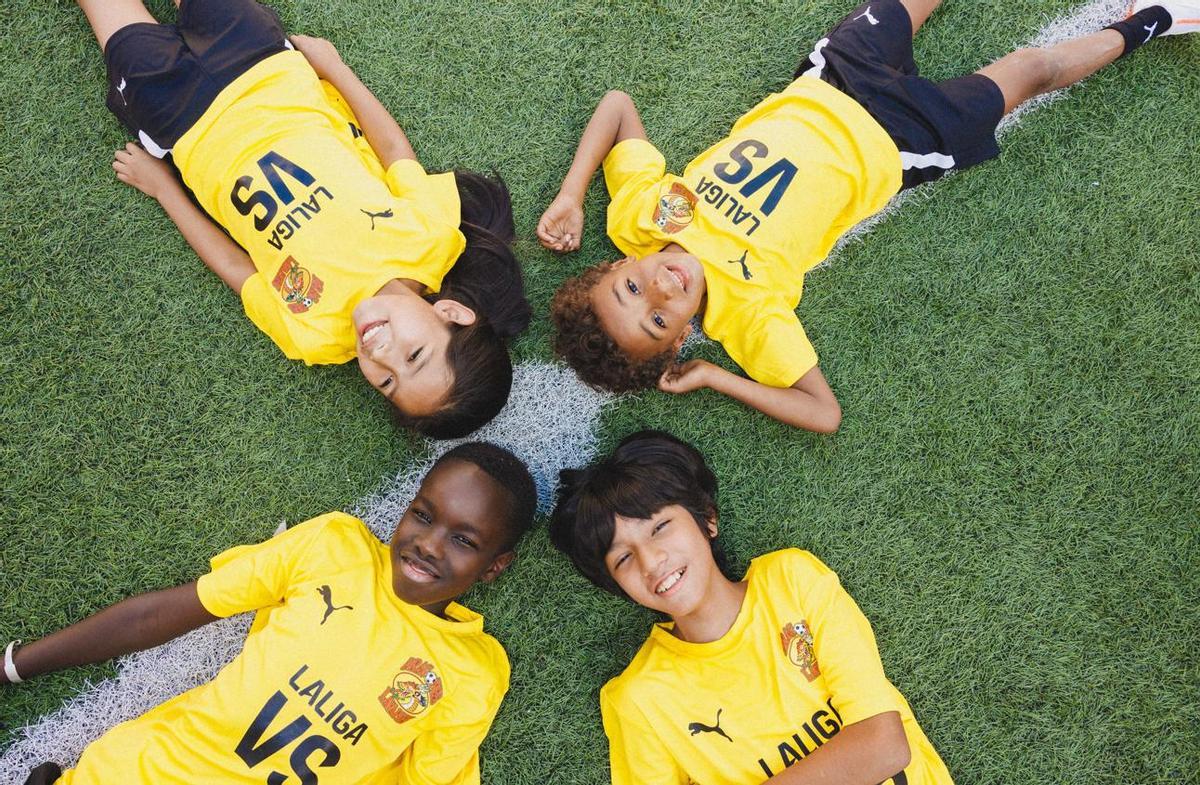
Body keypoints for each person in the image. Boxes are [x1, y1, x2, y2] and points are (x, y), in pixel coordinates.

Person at [539, 0, 1198, 434]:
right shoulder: (747, 313)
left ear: (620, 261)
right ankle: (1154, 19)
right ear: (679, 338)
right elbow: (822, 412)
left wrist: (572, 194)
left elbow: (619, 105)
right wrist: (717, 376)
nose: (659, 289)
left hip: (835, 79)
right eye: (657, 319)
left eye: (632, 286)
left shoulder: (644, 217)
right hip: (902, 140)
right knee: (1034, 68)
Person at [80, 0, 532, 439]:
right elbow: (394, 152)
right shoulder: (432, 237)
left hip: (180, 119)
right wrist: (334, 67)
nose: (381, 356)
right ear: (450, 313)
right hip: (263, 67)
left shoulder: (314, 337)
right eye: (414, 355)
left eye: (388, 383)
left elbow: (239, 269)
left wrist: (163, 189)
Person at [3, 442, 538, 785]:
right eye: (422, 515)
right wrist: (14, 664)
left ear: (495, 567)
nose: (427, 543)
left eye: (463, 539)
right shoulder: (334, 548)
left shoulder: (473, 672)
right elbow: (172, 611)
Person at [550, 430, 953, 784]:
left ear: (707, 519)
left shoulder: (790, 581)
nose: (651, 561)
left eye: (659, 527)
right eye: (623, 559)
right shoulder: (638, 699)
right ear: (618, 586)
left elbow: (883, 746)